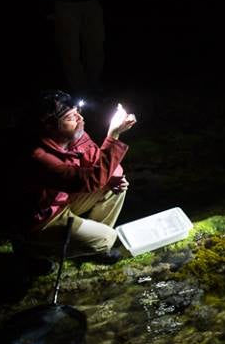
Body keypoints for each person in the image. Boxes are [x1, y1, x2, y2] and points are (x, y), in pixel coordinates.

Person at [16, 90, 137, 264]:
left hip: (63, 198)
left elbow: (98, 161)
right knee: (108, 238)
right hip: (41, 218)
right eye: (71, 117)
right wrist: (113, 135)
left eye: (78, 112)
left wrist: (114, 176)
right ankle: (32, 249)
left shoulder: (72, 135)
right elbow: (89, 180)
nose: (80, 119)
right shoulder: (38, 157)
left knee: (115, 185)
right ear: (50, 126)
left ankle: (90, 245)